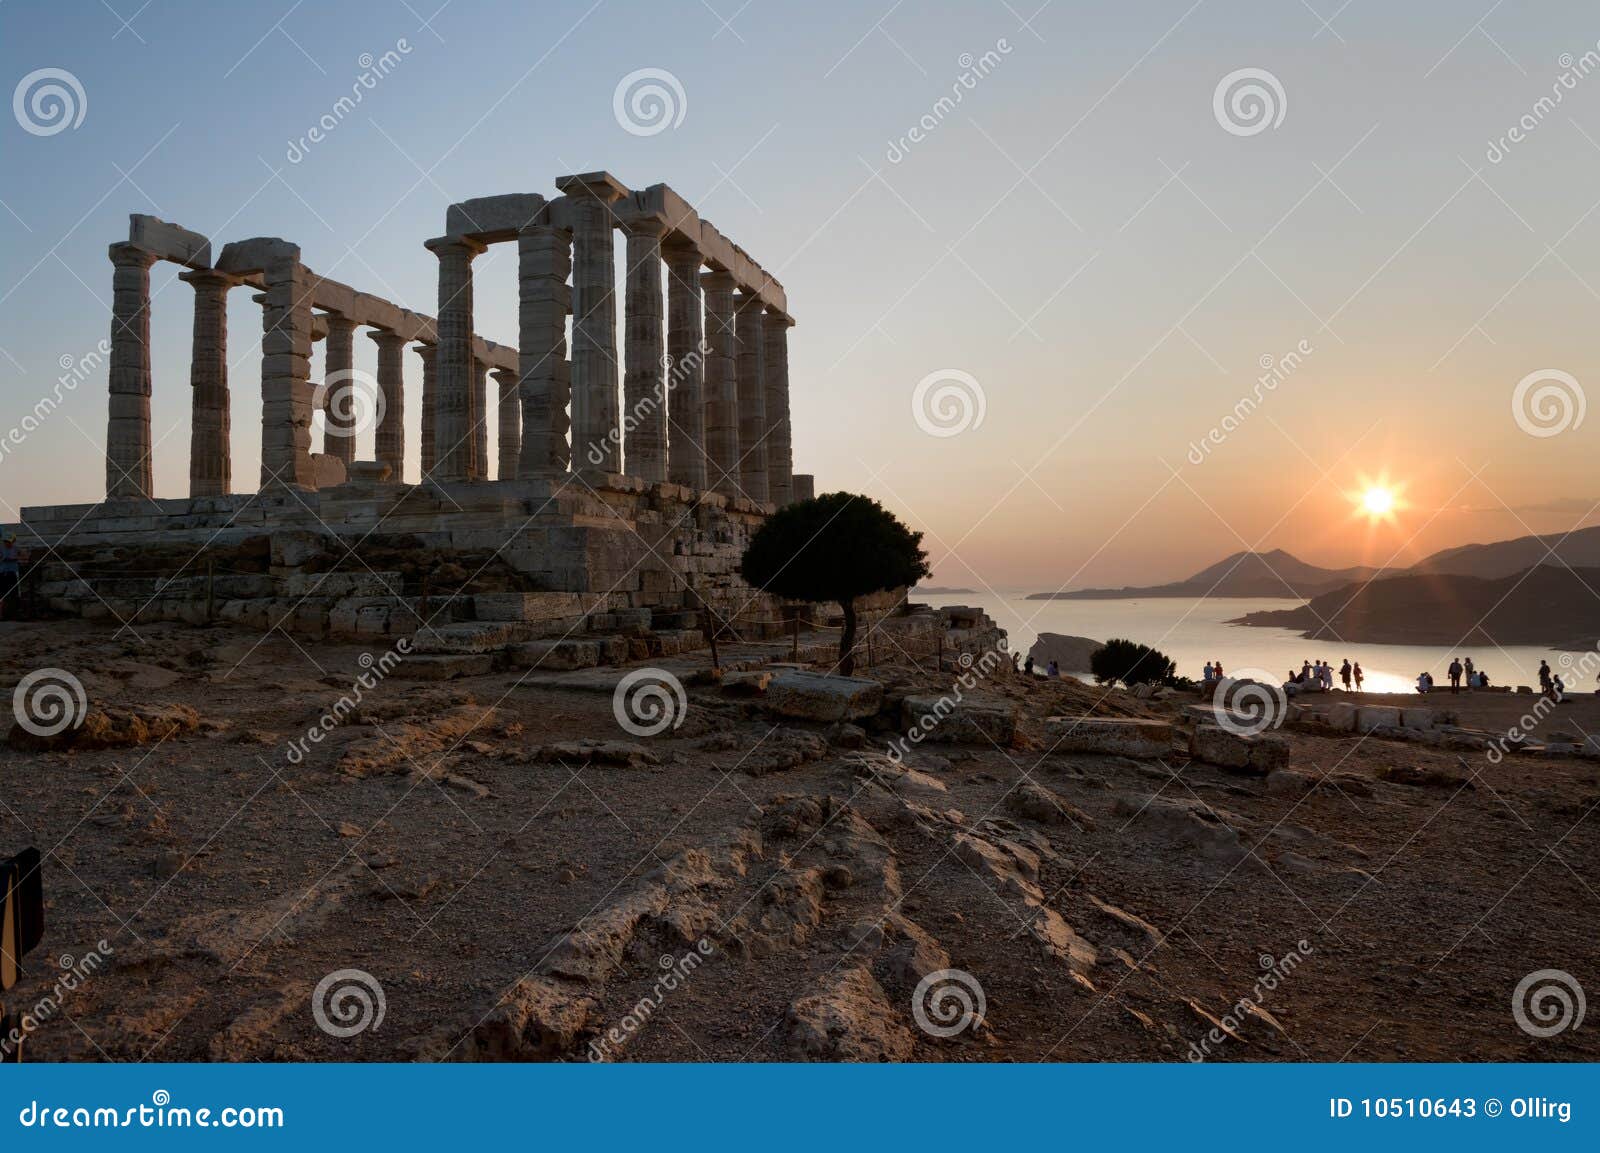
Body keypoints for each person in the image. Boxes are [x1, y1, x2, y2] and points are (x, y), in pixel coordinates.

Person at [0, 533, 19, 621]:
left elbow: (20, 556)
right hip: (3, 573)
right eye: (6, 542)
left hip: (12, 573)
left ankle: (13, 614)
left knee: (13, 594)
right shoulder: (1, 548)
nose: (7, 543)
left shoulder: (15, 549)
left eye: (9, 542)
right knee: (2, 594)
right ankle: (1, 615)